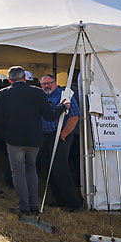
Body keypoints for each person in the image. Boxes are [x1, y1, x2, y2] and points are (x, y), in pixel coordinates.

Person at [0, 66, 68, 216]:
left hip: (14, 139)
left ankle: (24, 206)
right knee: (31, 169)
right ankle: (34, 205)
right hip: (34, 137)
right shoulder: (37, 92)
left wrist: (5, 136)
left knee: (18, 172)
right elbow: (49, 116)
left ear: (9, 80)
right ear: (25, 78)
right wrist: (61, 107)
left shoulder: (2, 94)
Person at [39, 74, 83, 211]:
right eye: (43, 84)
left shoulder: (64, 95)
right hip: (44, 137)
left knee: (60, 169)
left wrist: (63, 135)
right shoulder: (41, 97)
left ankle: (73, 203)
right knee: (49, 169)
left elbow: (74, 116)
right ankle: (59, 200)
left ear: (55, 82)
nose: (46, 86)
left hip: (59, 136)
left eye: (49, 83)